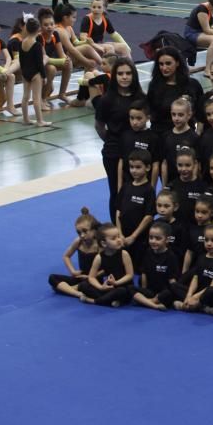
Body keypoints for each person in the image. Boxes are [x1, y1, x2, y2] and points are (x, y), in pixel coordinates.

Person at [95, 57, 144, 221]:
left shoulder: (140, 97)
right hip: (114, 152)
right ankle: (117, 228)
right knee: (117, 191)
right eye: (120, 73)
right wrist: (112, 141)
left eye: (128, 73)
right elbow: (99, 126)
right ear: (114, 76)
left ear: (134, 75)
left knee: (138, 190)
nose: (124, 77)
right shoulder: (107, 100)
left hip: (137, 151)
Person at [76, 223, 135, 306]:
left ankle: (94, 301)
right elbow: (91, 277)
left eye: (118, 236)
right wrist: (101, 287)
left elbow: (130, 275)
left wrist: (117, 283)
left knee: (122, 291)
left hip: (123, 286)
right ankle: (110, 300)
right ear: (104, 243)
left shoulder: (124, 254)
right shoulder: (99, 258)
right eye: (114, 238)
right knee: (83, 285)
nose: (118, 240)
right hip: (109, 287)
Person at [48, 207, 101, 298]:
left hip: (94, 279)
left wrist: (90, 276)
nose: (82, 235)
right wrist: (73, 271)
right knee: (52, 278)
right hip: (80, 277)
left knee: (85, 285)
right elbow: (66, 256)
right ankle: (77, 293)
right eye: (79, 233)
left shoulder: (100, 245)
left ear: (94, 230)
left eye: (85, 231)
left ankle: (66, 289)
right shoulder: (78, 242)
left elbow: (107, 268)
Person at [18, 16, 50, 127]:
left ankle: (25, 119)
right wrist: (44, 76)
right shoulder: (37, 45)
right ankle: (40, 121)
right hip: (35, 73)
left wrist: (23, 72)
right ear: (39, 30)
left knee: (25, 97)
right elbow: (39, 63)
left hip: (25, 72)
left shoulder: (22, 42)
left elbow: (21, 60)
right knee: (36, 98)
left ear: (26, 29)